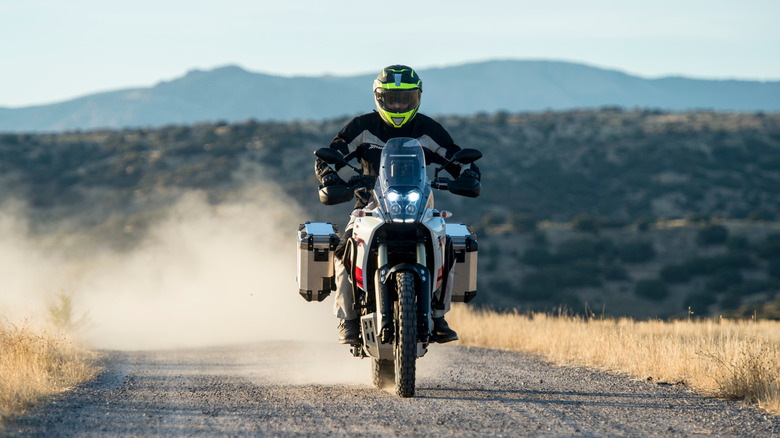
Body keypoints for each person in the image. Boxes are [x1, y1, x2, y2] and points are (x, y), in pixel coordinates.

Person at [315, 65, 481, 345]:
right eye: (393, 99)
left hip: (419, 205)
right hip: (370, 206)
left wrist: (469, 173)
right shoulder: (362, 127)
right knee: (344, 248)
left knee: (448, 244)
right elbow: (331, 155)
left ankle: (438, 315)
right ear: (380, 98)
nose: (399, 105)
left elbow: (455, 157)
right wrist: (329, 175)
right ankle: (348, 319)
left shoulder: (428, 129)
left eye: (406, 99)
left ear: (417, 98)